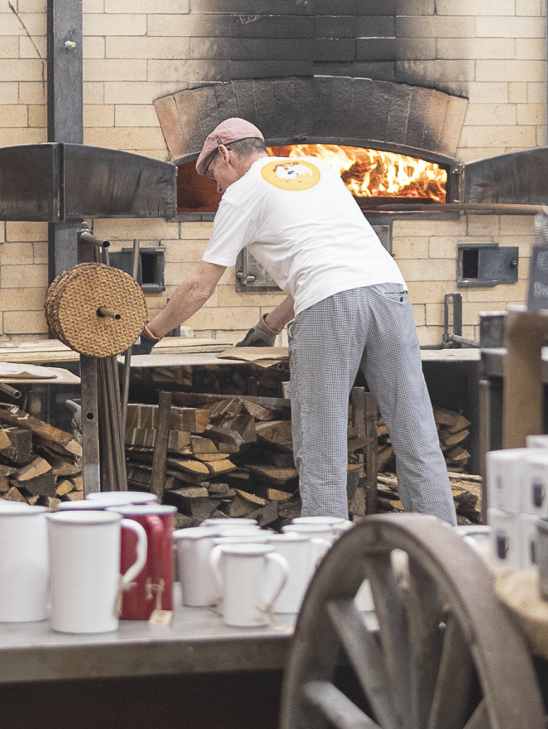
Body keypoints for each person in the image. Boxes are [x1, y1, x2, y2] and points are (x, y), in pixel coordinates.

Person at [139, 118, 456, 523]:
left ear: (225, 153)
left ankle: (324, 552)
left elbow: (201, 286)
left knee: (322, 446)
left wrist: (150, 333)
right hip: (389, 294)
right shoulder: (316, 170)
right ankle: (442, 546)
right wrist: (268, 327)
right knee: (417, 434)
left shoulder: (241, 193)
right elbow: (324, 263)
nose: (215, 186)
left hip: (330, 308)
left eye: (212, 173)